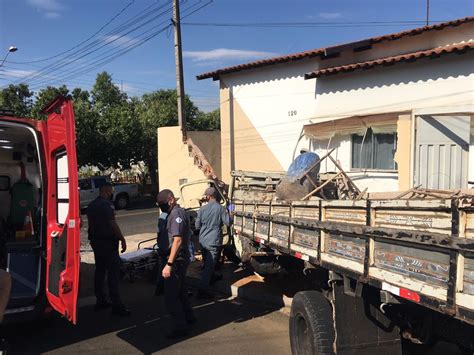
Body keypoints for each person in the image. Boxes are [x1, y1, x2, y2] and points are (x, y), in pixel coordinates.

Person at [157, 189, 196, 338]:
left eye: (163, 203)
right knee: (181, 291)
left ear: (171, 200)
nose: (162, 206)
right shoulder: (172, 213)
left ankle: (181, 327)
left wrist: (169, 264)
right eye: (159, 204)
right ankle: (189, 318)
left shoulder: (176, 214)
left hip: (176, 259)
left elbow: (177, 240)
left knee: (171, 297)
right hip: (177, 258)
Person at [87, 182, 130, 316]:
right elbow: (113, 224)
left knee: (99, 271)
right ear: (106, 191)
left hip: (96, 242)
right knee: (113, 274)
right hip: (108, 243)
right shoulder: (107, 205)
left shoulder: (91, 205)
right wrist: (122, 239)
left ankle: (101, 300)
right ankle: (116, 305)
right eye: (111, 191)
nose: (112, 194)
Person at [195, 187, 230, 299]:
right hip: (213, 241)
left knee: (207, 263)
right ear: (215, 196)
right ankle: (203, 290)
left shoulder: (201, 209)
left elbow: (197, 226)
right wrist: (231, 214)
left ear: (208, 197)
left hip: (203, 240)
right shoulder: (220, 209)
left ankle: (212, 278)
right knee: (209, 267)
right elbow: (228, 222)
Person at [155, 210, 168, 296]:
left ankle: (159, 289)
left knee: (162, 268)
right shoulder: (169, 215)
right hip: (166, 246)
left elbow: (159, 231)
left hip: (161, 245)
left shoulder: (162, 215)